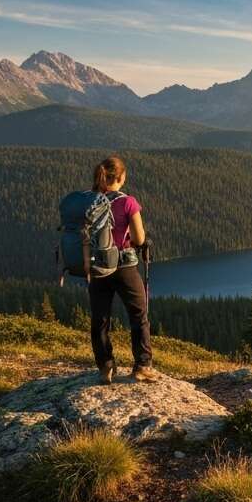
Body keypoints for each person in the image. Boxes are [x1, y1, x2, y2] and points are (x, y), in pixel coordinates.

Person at [87, 155, 156, 383]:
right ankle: (142, 366)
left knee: (100, 318)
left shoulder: (90, 201)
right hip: (124, 266)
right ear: (122, 177)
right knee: (138, 315)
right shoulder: (128, 203)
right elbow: (139, 238)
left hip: (98, 267)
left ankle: (105, 367)